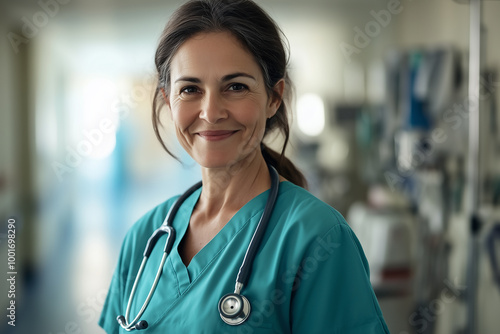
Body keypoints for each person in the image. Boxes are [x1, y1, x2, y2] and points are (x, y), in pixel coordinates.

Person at [99, 0, 390, 333]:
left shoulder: (317, 238)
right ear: (168, 100)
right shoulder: (144, 237)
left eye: (235, 87)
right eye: (190, 89)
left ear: (273, 98)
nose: (211, 112)